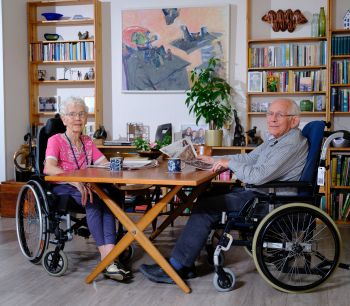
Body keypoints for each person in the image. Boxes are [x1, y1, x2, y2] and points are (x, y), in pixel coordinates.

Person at [139, 98, 309, 284]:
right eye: (270, 114)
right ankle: (186, 264)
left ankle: (177, 267)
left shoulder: (291, 143)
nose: (272, 119)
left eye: (279, 115)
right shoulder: (277, 140)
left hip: (270, 201)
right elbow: (249, 158)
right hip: (261, 195)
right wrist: (215, 160)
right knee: (208, 196)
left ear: (294, 121)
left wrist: (229, 164)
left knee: (206, 207)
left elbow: (257, 176)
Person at [44, 96, 131, 281]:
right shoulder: (55, 140)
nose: (77, 118)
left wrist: (123, 166)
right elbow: (48, 168)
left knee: (108, 200)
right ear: (64, 119)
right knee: (93, 201)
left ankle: (108, 260)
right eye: (72, 114)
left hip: (87, 187)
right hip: (64, 187)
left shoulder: (87, 141)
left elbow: (104, 164)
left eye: (81, 114)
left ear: (86, 118)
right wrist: (75, 181)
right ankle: (109, 261)